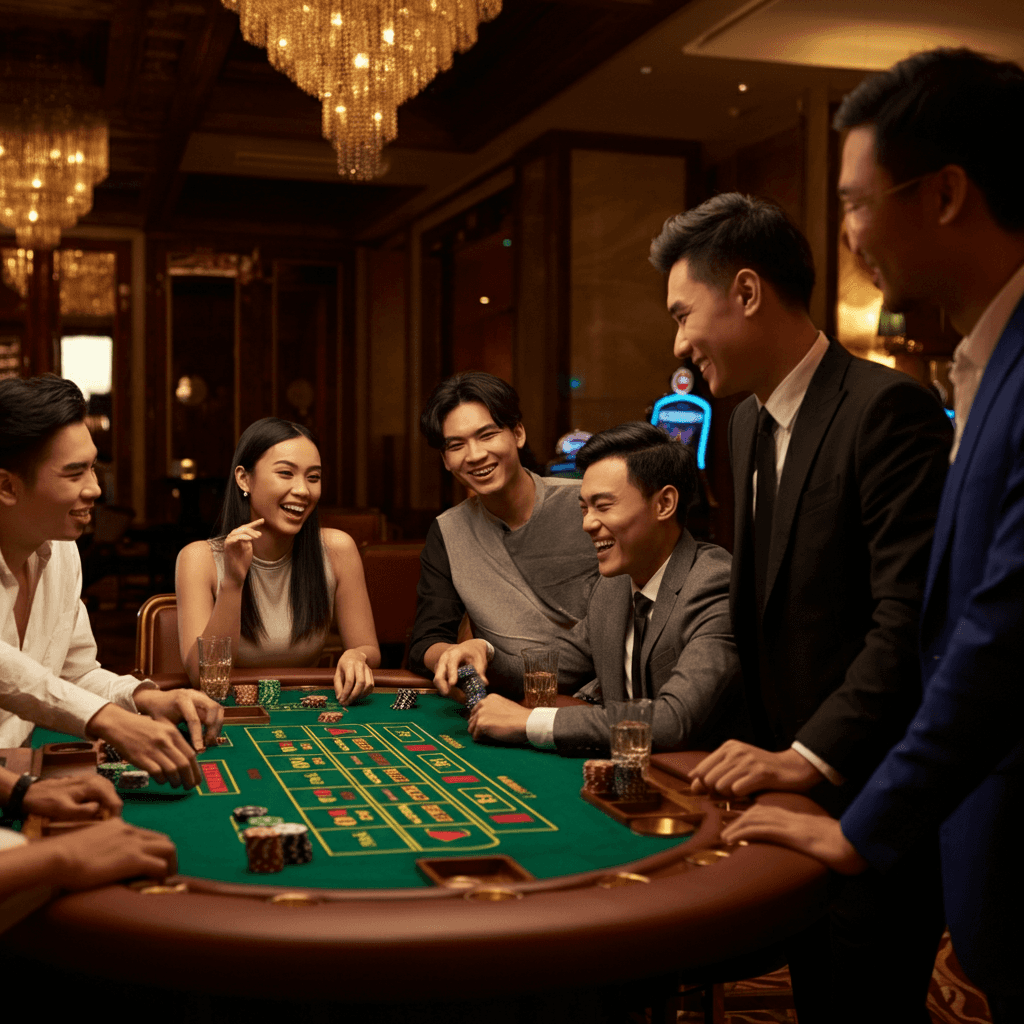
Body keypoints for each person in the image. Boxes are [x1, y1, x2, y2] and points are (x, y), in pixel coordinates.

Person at [720, 48, 1024, 1024]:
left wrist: (860, 823)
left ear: (944, 193)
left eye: (856, 202)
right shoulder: (980, 359)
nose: (844, 235)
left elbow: (997, 629)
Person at [650, 193, 952, 1023]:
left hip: (871, 798)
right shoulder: (743, 425)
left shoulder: (886, 410)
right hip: (782, 798)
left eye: (684, 313)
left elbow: (908, 627)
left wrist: (810, 759)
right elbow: (763, 618)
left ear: (745, 291)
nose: (677, 343)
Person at [0, 375, 221, 789]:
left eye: (93, 468)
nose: (95, 488)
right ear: (7, 486)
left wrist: (144, 699)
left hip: (20, 779)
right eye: (74, 473)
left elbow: (72, 673)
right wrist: (109, 721)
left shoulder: (62, 549)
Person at [468, 422, 743, 754]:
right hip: (624, 778)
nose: (587, 524)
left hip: (696, 790)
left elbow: (674, 720)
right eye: (584, 508)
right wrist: (482, 656)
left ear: (664, 504)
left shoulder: (714, 584)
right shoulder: (612, 589)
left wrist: (530, 724)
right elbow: (550, 669)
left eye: (603, 506)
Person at [409, 372, 599, 694]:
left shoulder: (585, 503)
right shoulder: (448, 531)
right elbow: (427, 639)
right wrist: (454, 654)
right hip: (510, 700)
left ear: (518, 434)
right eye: (456, 445)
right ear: (445, 460)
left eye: (487, 435)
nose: (475, 455)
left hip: (599, 699)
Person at [176, 417, 379, 704]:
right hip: (228, 712)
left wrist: (357, 655)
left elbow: (368, 647)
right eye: (286, 473)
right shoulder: (198, 558)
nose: (303, 490)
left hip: (306, 711)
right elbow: (201, 677)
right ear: (244, 478)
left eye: (313, 477)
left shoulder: (337, 549)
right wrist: (233, 582)